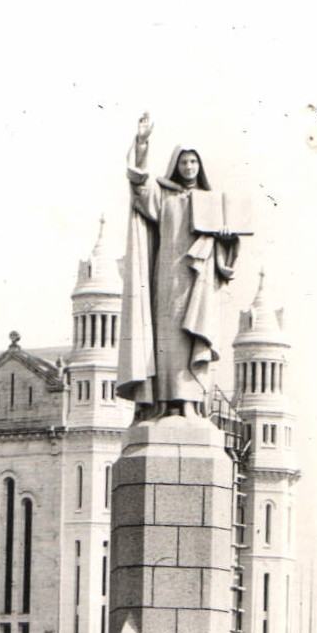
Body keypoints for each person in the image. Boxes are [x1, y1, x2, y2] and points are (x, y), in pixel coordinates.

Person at [117, 114, 241, 420]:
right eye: (184, 162)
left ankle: (189, 403)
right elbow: (140, 188)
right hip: (168, 279)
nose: (189, 167)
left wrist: (227, 241)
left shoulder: (211, 201)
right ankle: (167, 403)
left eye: (193, 163)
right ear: (176, 165)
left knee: (192, 340)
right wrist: (142, 144)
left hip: (199, 281)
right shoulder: (165, 196)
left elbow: (227, 252)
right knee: (168, 342)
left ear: (200, 167)